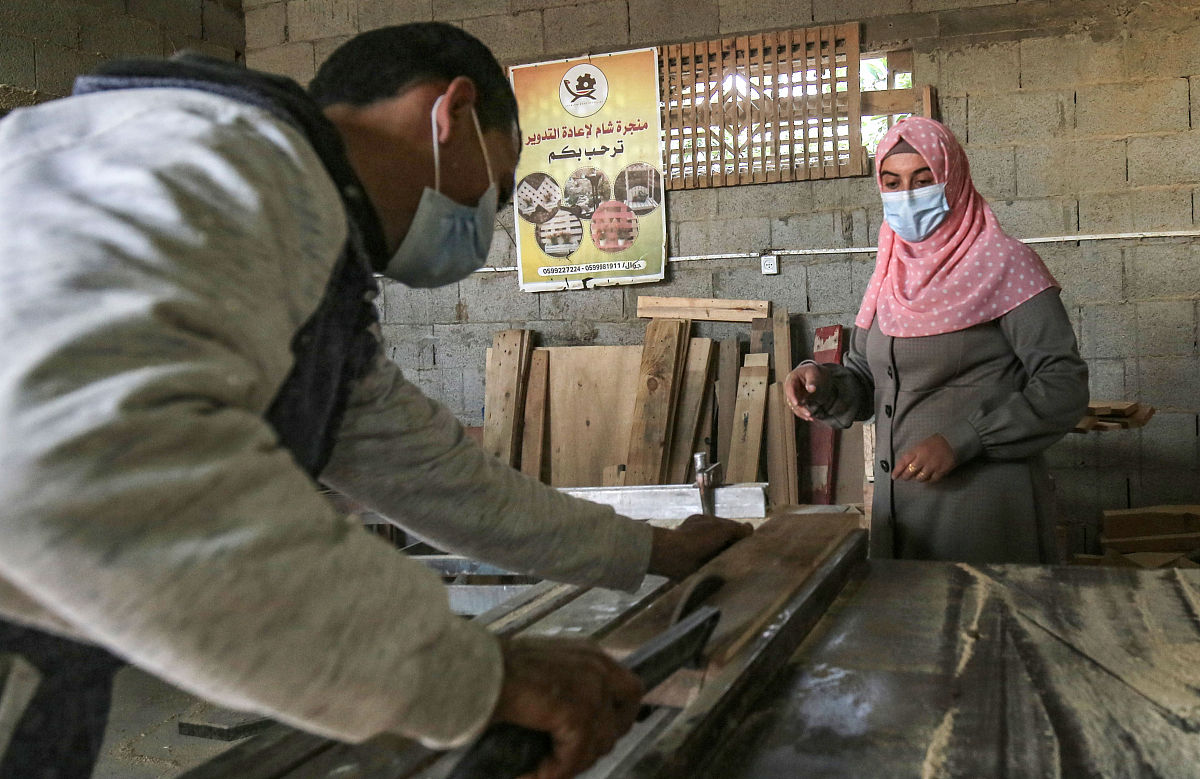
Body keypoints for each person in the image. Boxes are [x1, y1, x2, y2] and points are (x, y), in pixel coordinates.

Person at [0, 23, 751, 779]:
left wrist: (649, 550)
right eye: (498, 178)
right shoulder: (219, 163)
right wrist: (466, 675)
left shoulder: (299, 227)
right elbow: (80, 468)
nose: (488, 218)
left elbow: (427, 468)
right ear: (449, 113)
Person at [784, 117, 1088, 564]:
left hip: (981, 507)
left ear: (954, 180)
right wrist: (823, 385)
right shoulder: (891, 269)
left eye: (923, 181)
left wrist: (965, 439)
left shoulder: (1006, 263)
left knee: (983, 625)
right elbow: (869, 381)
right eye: (892, 182)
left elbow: (1063, 384)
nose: (906, 196)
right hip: (901, 507)